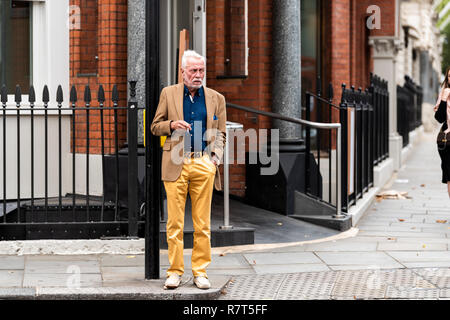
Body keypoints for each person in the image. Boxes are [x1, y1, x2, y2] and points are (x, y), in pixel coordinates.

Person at [150, 50, 227, 290]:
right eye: (193, 70)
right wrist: (172, 125)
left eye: (201, 70)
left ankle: (200, 272)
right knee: (175, 223)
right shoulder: (168, 94)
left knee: (202, 224)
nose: (198, 75)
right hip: (176, 163)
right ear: (182, 71)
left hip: (203, 163)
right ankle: (174, 272)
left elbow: (221, 132)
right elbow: (154, 126)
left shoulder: (216, 98)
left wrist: (215, 157)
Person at [434, 66, 450, 197]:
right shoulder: (444, 93)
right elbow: (439, 118)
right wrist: (444, 99)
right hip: (448, 141)